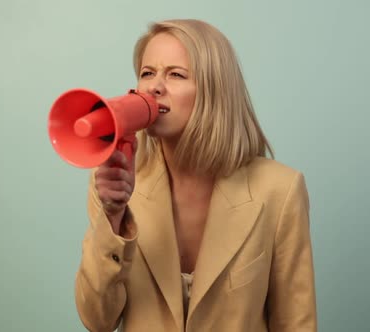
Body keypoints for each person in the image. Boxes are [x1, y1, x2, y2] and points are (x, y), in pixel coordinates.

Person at [74, 18, 317, 332]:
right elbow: (97, 320)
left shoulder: (280, 190)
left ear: (215, 90)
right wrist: (114, 216)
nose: (154, 86)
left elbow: (295, 323)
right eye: (147, 73)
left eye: (176, 74)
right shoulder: (112, 185)